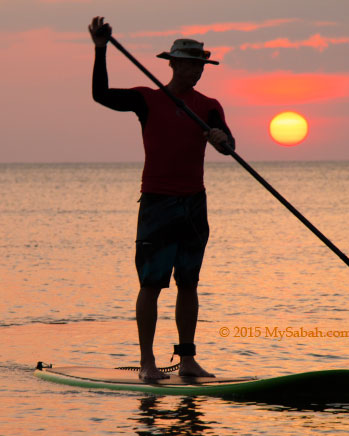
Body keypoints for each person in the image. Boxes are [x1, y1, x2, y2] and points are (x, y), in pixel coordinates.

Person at [88, 16, 235, 381]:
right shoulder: (147, 99)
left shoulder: (209, 106)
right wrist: (101, 49)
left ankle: (187, 360)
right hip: (157, 203)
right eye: (189, 64)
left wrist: (221, 141)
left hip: (193, 205)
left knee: (189, 283)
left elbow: (229, 146)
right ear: (173, 64)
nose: (196, 71)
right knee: (151, 285)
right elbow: (101, 96)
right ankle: (148, 363)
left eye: (200, 66)